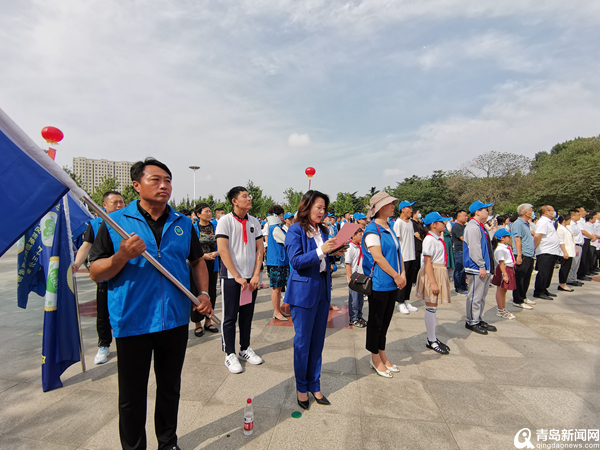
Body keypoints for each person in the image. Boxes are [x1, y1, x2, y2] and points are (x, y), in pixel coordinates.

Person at [89, 158, 212, 450]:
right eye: (155, 180)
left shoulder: (183, 223)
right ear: (136, 185)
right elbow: (96, 272)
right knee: (131, 396)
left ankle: (168, 442)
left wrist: (204, 294)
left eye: (168, 180)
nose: (164, 186)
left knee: (170, 388)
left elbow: (197, 262)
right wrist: (121, 255)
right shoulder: (115, 223)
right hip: (133, 321)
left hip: (174, 319)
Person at [285, 190, 342, 410]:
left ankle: (315, 385)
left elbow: (325, 256)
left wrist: (334, 252)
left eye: (324, 208)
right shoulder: (295, 230)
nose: (322, 212)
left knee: (318, 341)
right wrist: (321, 250)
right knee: (302, 342)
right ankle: (301, 388)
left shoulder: (324, 230)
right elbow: (296, 261)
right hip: (303, 292)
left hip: (322, 288)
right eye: (318, 207)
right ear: (306, 207)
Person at [216, 186, 265, 374]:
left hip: (250, 278)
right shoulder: (225, 221)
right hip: (231, 278)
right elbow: (223, 250)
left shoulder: (254, 222)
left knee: (247, 315)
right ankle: (229, 353)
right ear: (234, 201)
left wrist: (255, 275)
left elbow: (260, 249)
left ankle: (245, 348)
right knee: (229, 317)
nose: (249, 199)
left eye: (249, 195)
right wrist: (236, 276)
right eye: (244, 196)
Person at [73, 190, 125, 364]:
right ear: (104, 205)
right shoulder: (95, 224)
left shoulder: (128, 222)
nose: (119, 205)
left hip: (125, 276)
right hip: (104, 276)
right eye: (115, 202)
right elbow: (86, 246)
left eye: (121, 202)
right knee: (103, 313)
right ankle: (104, 345)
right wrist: (76, 264)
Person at [362, 192, 406, 378]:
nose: (392, 206)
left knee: (386, 322)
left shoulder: (389, 227)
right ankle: (375, 358)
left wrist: (402, 273)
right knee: (376, 322)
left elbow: (398, 252)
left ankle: (383, 354)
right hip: (380, 282)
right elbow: (378, 257)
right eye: (389, 204)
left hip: (393, 282)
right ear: (379, 208)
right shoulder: (372, 230)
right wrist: (397, 275)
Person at [415, 212, 452, 354]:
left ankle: (432, 337)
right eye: (441, 222)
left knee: (433, 307)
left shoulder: (437, 238)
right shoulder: (430, 240)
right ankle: (431, 340)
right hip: (433, 271)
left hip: (439, 270)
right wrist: (433, 282)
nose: (444, 224)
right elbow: (427, 262)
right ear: (433, 224)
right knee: (431, 307)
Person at [463, 200, 497, 335]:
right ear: (477, 212)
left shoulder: (480, 226)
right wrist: (481, 265)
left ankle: (478, 318)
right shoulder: (472, 227)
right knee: (475, 296)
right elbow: (474, 249)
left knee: (482, 295)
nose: (487, 212)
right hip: (477, 267)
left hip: (484, 266)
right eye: (485, 210)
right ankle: (471, 321)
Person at [190, 203, 220, 337]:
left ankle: (209, 321)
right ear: (198, 214)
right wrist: (203, 256)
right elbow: (190, 248)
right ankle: (197, 323)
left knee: (211, 292)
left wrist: (216, 253)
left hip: (212, 264)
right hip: (197, 264)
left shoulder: (216, 226)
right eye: (206, 211)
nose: (209, 214)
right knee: (196, 293)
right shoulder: (193, 228)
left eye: (210, 211)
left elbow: (223, 244)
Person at [393, 200, 419, 315]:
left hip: (411, 255)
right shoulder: (398, 223)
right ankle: (400, 302)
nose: (411, 210)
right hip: (403, 257)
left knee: (409, 279)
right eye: (409, 207)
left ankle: (406, 300)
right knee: (403, 280)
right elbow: (396, 241)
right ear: (402, 209)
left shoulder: (410, 223)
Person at [266, 205, 290, 321]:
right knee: (276, 288)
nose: (282, 218)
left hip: (280, 261)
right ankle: (276, 311)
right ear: (277, 216)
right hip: (277, 262)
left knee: (279, 287)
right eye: (281, 215)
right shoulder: (275, 228)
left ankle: (278, 310)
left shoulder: (276, 228)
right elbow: (287, 241)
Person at [532, 205, 561, 300]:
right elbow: (538, 236)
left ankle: (544, 289)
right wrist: (534, 248)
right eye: (552, 211)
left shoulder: (549, 222)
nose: (554, 212)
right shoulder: (543, 222)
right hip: (545, 251)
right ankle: (539, 291)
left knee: (549, 272)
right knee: (543, 272)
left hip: (552, 251)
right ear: (546, 212)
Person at [511, 204, 536, 310]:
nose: (532, 212)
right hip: (523, 254)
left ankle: (523, 296)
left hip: (529, 254)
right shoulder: (518, 223)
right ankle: (518, 299)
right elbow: (517, 239)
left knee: (526, 277)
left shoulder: (526, 224)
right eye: (531, 210)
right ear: (526, 212)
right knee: (520, 278)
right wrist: (519, 255)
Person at [491, 229, 517, 319]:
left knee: (504, 290)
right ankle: (500, 310)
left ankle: (503, 308)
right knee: (501, 289)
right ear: (502, 238)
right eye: (508, 237)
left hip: (508, 268)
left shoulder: (505, 247)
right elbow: (501, 263)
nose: (510, 238)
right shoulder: (500, 249)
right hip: (504, 269)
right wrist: (505, 274)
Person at [345, 226, 366, 328]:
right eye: (360, 234)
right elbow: (348, 264)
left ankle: (359, 316)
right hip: (354, 277)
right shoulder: (350, 248)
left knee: (360, 299)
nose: (361, 236)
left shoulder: (360, 246)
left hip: (361, 277)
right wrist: (350, 278)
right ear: (353, 236)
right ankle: (353, 318)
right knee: (354, 299)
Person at [556, 214, 576, 292]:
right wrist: (565, 252)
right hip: (565, 252)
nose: (570, 221)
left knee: (567, 268)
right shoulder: (560, 229)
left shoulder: (565, 228)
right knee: (564, 269)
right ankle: (562, 284)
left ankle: (563, 283)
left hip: (570, 251)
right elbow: (561, 242)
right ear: (565, 221)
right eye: (569, 220)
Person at [451, 210, 468, 295]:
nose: (466, 217)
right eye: (464, 216)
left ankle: (464, 285)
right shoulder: (457, 226)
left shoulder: (463, 226)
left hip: (464, 251)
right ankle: (458, 287)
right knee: (459, 270)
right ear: (458, 217)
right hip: (459, 251)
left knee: (463, 270)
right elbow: (463, 238)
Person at [567, 209, 584, 287]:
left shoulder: (576, 224)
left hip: (579, 245)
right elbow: (571, 237)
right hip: (575, 245)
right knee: (573, 264)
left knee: (577, 264)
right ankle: (570, 279)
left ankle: (574, 278)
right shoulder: (570, 225)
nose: (579, 216)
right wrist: (574, 248)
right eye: (578, 215)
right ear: (572, 216)